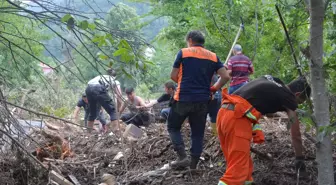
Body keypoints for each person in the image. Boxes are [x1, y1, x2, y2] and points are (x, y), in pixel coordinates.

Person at [216, 75, 311, 185]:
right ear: (297, 95)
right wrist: (299, 159)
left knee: (244, 167)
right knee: (236, 173)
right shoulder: (289, 97)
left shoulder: (273, 80)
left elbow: (262, 102)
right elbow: (296, 134)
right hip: (238, 119)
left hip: (224, 113)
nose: (297, 105)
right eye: (300, 102)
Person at [168, 30, 230, 170]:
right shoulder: (213, 57)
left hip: (183, 98)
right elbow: (225, 76)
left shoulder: (184, 52)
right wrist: (213, 88)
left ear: (190, 40)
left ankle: (182, 157)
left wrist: (185, 83)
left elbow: (173, 75)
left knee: (173, 126)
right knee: (198, 132)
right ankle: (193, 164)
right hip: (202, 100)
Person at [85, 69, 122, 133]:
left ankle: (88, 134)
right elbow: (119, 95)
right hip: (98, 88)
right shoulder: (114, 80)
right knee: (113, 111)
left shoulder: (101, 77)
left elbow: (100, 98)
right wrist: (118, 109)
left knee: (93, 113)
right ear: (115, 76)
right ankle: (116, 133)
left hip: (88, 88)